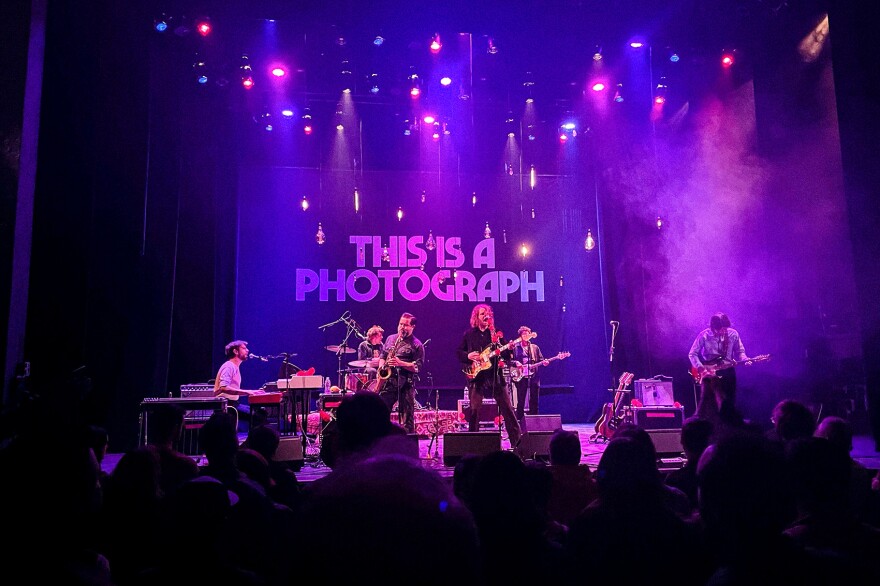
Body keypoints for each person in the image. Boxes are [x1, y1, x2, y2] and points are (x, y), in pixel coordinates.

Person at [457, 304, 521, 450]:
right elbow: (458, 352)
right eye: (482, 314)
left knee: (508, 410)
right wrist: (468, 355)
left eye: (488, 314)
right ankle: (472, 446)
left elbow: (505, 354)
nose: (486, 316)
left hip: (495, 376)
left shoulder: (496, 333)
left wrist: (509, 349)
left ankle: (518, 444)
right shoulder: (469, 334)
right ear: (476, 317)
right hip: (477, 377)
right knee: (475, 411)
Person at [688, 312, 750, 427]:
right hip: (710, 373)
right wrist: (700, 367)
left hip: (728, 371)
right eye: (719, 329)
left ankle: (730, 427)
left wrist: (745, 359)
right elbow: (692, 354)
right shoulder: (704, 336)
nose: (722, 332)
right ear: (713, 327)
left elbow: (740, 352)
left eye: (724, 329)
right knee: (712, 403)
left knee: (729, 401)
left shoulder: (733, 334)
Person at [376, 313, 424, 434]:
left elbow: (417, 368)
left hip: (405, 384)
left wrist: (400, 363)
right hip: (389, 382)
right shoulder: (390, 338)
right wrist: (382, 366)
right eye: (400, 324)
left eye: (406, 325)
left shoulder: (417, 345)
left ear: (413, 327)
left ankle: (407, 443)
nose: (402, 327)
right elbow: (383, 355)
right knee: (381, 412)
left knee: (407, 418)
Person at [213, 340, 263, 429]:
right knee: (257, 417)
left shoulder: (234, 366)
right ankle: (252, 442)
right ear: (235, 351)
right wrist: (249, 392)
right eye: (244, 348)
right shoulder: (229, 366)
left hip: (233, 403)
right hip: (226, 405)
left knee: (261, 413)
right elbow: (224, 387)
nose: (247, 350)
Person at [512, 325, 549, 421]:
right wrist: (516, 363)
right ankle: (519, 420)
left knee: (534, 399)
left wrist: (544, 362)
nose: (525, 335)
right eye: (523, 334)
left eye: (527, 333)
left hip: (534, 376)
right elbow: (509, 361)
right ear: (520, 336)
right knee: (521, 400)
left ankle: (534, 420)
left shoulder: (534, 348)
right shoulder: (516, 348)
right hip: (521, 375)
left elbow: (541, 359)